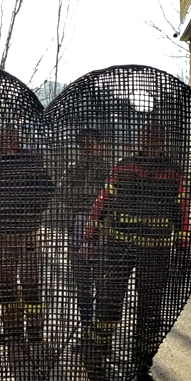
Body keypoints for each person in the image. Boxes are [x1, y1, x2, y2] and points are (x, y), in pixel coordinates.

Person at [82, 124, 188, 381]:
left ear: (161, 140)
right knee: (108, 302)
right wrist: (90, 235)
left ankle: (143, 362)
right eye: (146, 135)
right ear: (140, 139)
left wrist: (183, 244)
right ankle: (97, 358)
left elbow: (182, 209)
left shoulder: (174, 172)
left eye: (154, 135)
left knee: (150, 308)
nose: (150, 139)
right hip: (117, 246)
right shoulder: (123, 166)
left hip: (156, 250)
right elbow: (103, 200)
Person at [0, 124, 54, 345]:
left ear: (18, 137)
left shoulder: (31, 160)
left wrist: (33, 211)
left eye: (12, 134)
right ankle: (13, 329)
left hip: (28, 232)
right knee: (5, 283)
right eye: (4, 134)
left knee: (30, 282)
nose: (8, 138)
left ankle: (35, 330)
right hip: (0, 233)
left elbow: (47, 188)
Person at [62, 129, 111, 336]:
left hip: (103, 231)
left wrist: (88, 200)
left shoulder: (109, 169)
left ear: (99, 144)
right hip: (77, 229)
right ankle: (85, 328)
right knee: (82, 284)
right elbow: (64, 194)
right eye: (83, 143)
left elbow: (110, 198)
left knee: (103, 285)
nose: (86, 146)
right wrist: (90, 198)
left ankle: (100, 334)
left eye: (90, 142)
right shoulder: (74, 169)